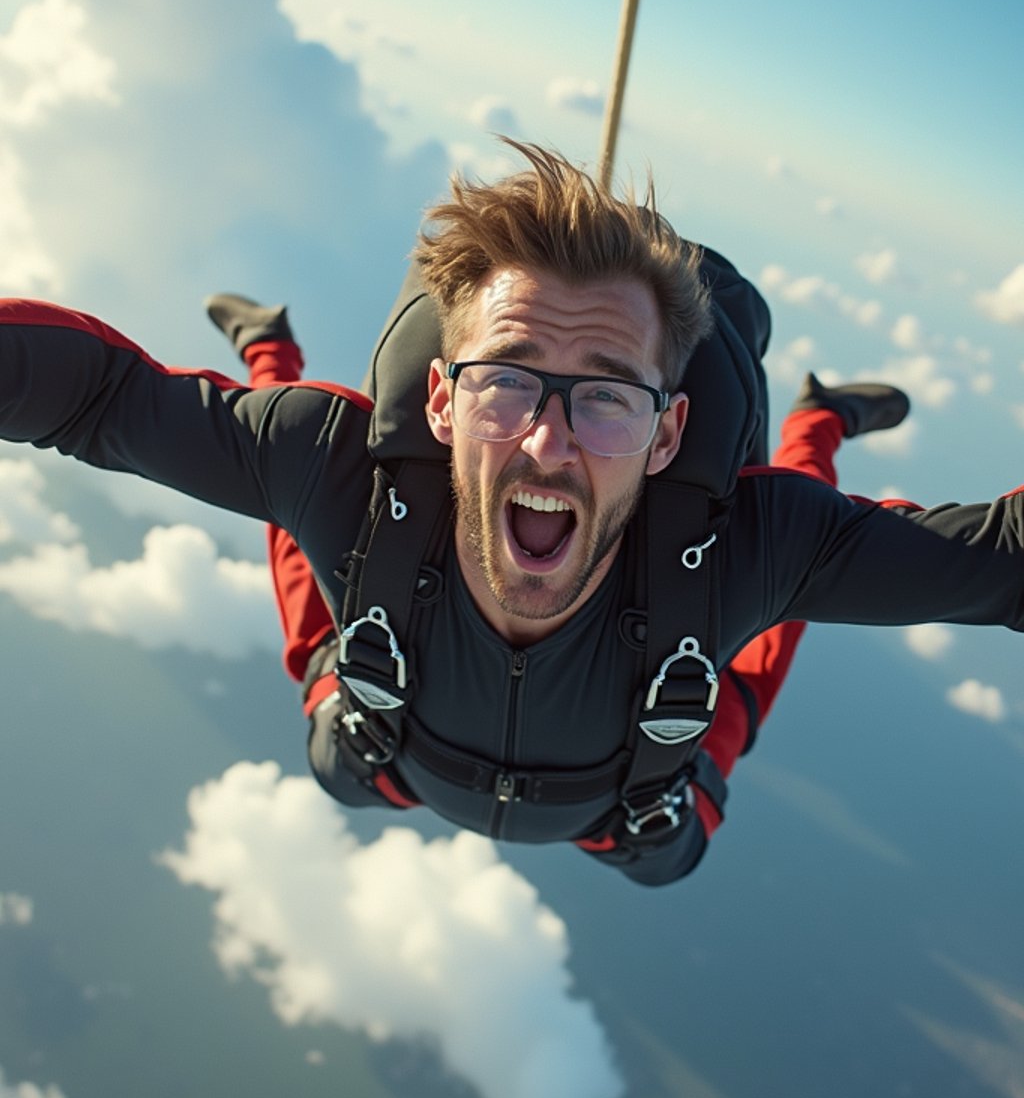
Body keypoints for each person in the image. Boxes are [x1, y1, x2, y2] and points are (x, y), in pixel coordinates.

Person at [2, 142, 1022, 889]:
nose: (547, 442)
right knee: (317, 525)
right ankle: (271, 349)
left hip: (625, 810)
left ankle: (818, 424)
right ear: (440, 402)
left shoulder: (747, 545)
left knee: (762, 594)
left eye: (608, 395)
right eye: (506, 384)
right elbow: (96, 396)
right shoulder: (339, 468)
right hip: (388, 754)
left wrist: (791, 523)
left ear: (668, 435)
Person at [207, 286, 907, 883]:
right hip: (609, 810)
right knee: (302, 490)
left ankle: (817, 423)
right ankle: (269, 352)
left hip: (528, 791)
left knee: (786, 557)